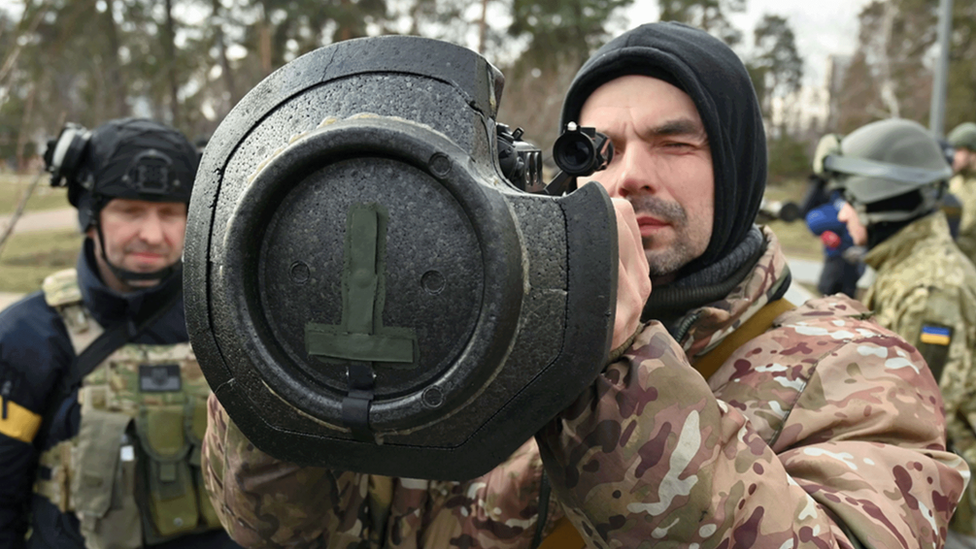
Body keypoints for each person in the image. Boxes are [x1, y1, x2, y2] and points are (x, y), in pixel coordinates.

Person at [201, 24, 968, 548]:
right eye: (598, 148)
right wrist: (280, 364)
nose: (630, 175)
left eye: (677, 141)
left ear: (736, 167)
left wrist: (612, 360)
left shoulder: (856, 368)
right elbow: (289, 532)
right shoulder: (479, 331)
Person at [0, 118, 242, 549]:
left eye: (170, 214)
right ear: (90, 216)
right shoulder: (28, 338)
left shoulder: (230, 322)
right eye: (130, 211)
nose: (152, 234)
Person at [831, 118, 976, 549]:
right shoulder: (903, 268)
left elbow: (920, 423)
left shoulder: (929, 289)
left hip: (943, 510)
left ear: (876, 201)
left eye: (848, 200)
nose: (841, 213)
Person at [948, 122, 976, 263]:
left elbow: (965, 229)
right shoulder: (955, 182)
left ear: (972, 153)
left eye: (959, 150)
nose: (954, 156)